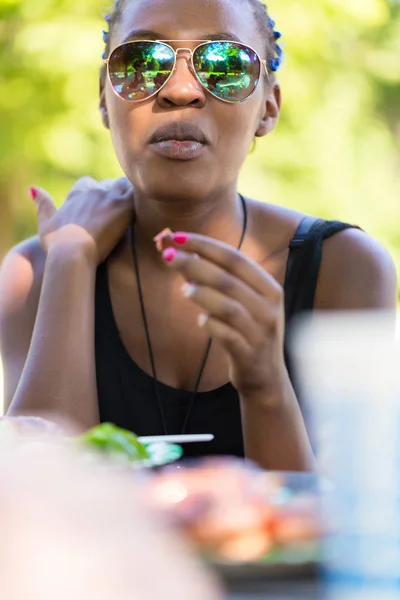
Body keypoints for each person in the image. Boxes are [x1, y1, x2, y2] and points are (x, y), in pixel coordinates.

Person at [0, 0, 397, 471]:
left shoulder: (343, 268)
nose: (182, 91)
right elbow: (41, 504)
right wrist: (70, 260)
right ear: (105, 98)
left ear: (268, 108)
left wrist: (265, 385)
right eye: (143, 62)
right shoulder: (34, 273)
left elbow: (348, 528)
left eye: (226, 64)